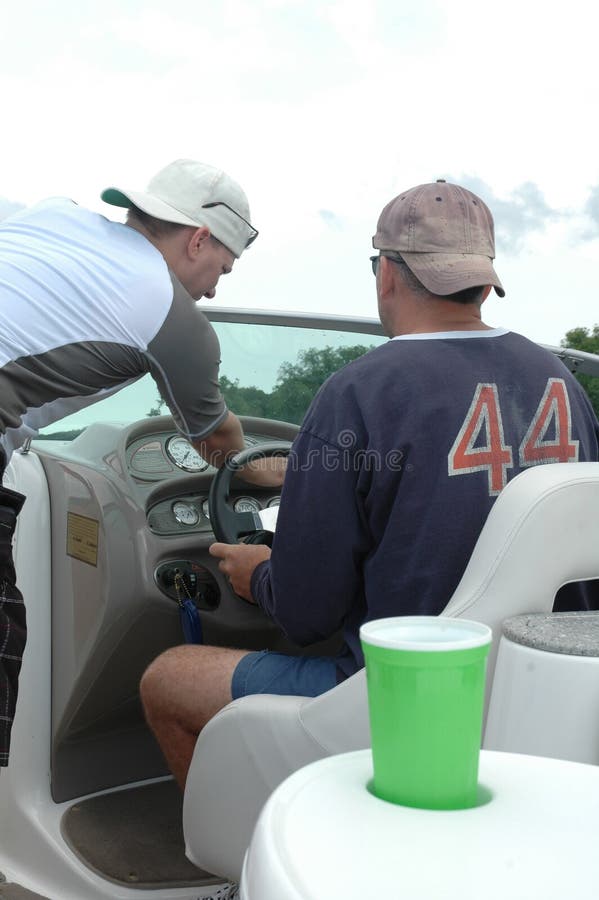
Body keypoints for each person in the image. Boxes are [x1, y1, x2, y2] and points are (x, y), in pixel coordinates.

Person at [140, 179, 599, 790]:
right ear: (487, 281)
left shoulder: (359, 392)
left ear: (384, 273)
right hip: (540, 697)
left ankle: (249, 869)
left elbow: (307, 614)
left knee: (166, 679)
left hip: (403, 698)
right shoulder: (560, 381)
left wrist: (261, 575)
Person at [0, 158, 283, 767]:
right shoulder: (170, 315)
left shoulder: (53, 217)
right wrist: (295, 475)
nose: (214, 289)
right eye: (221, 268)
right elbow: (223, 448)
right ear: (199, 239)